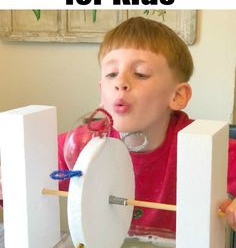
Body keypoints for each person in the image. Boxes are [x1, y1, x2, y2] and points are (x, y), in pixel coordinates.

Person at [58, 16, 236, 236]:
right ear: (101, 92)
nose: (120, 83)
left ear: (178, 95)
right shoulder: (82, 142)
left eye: (140, 74)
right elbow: (23, 176)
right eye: (111, 74)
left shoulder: (202, 147)